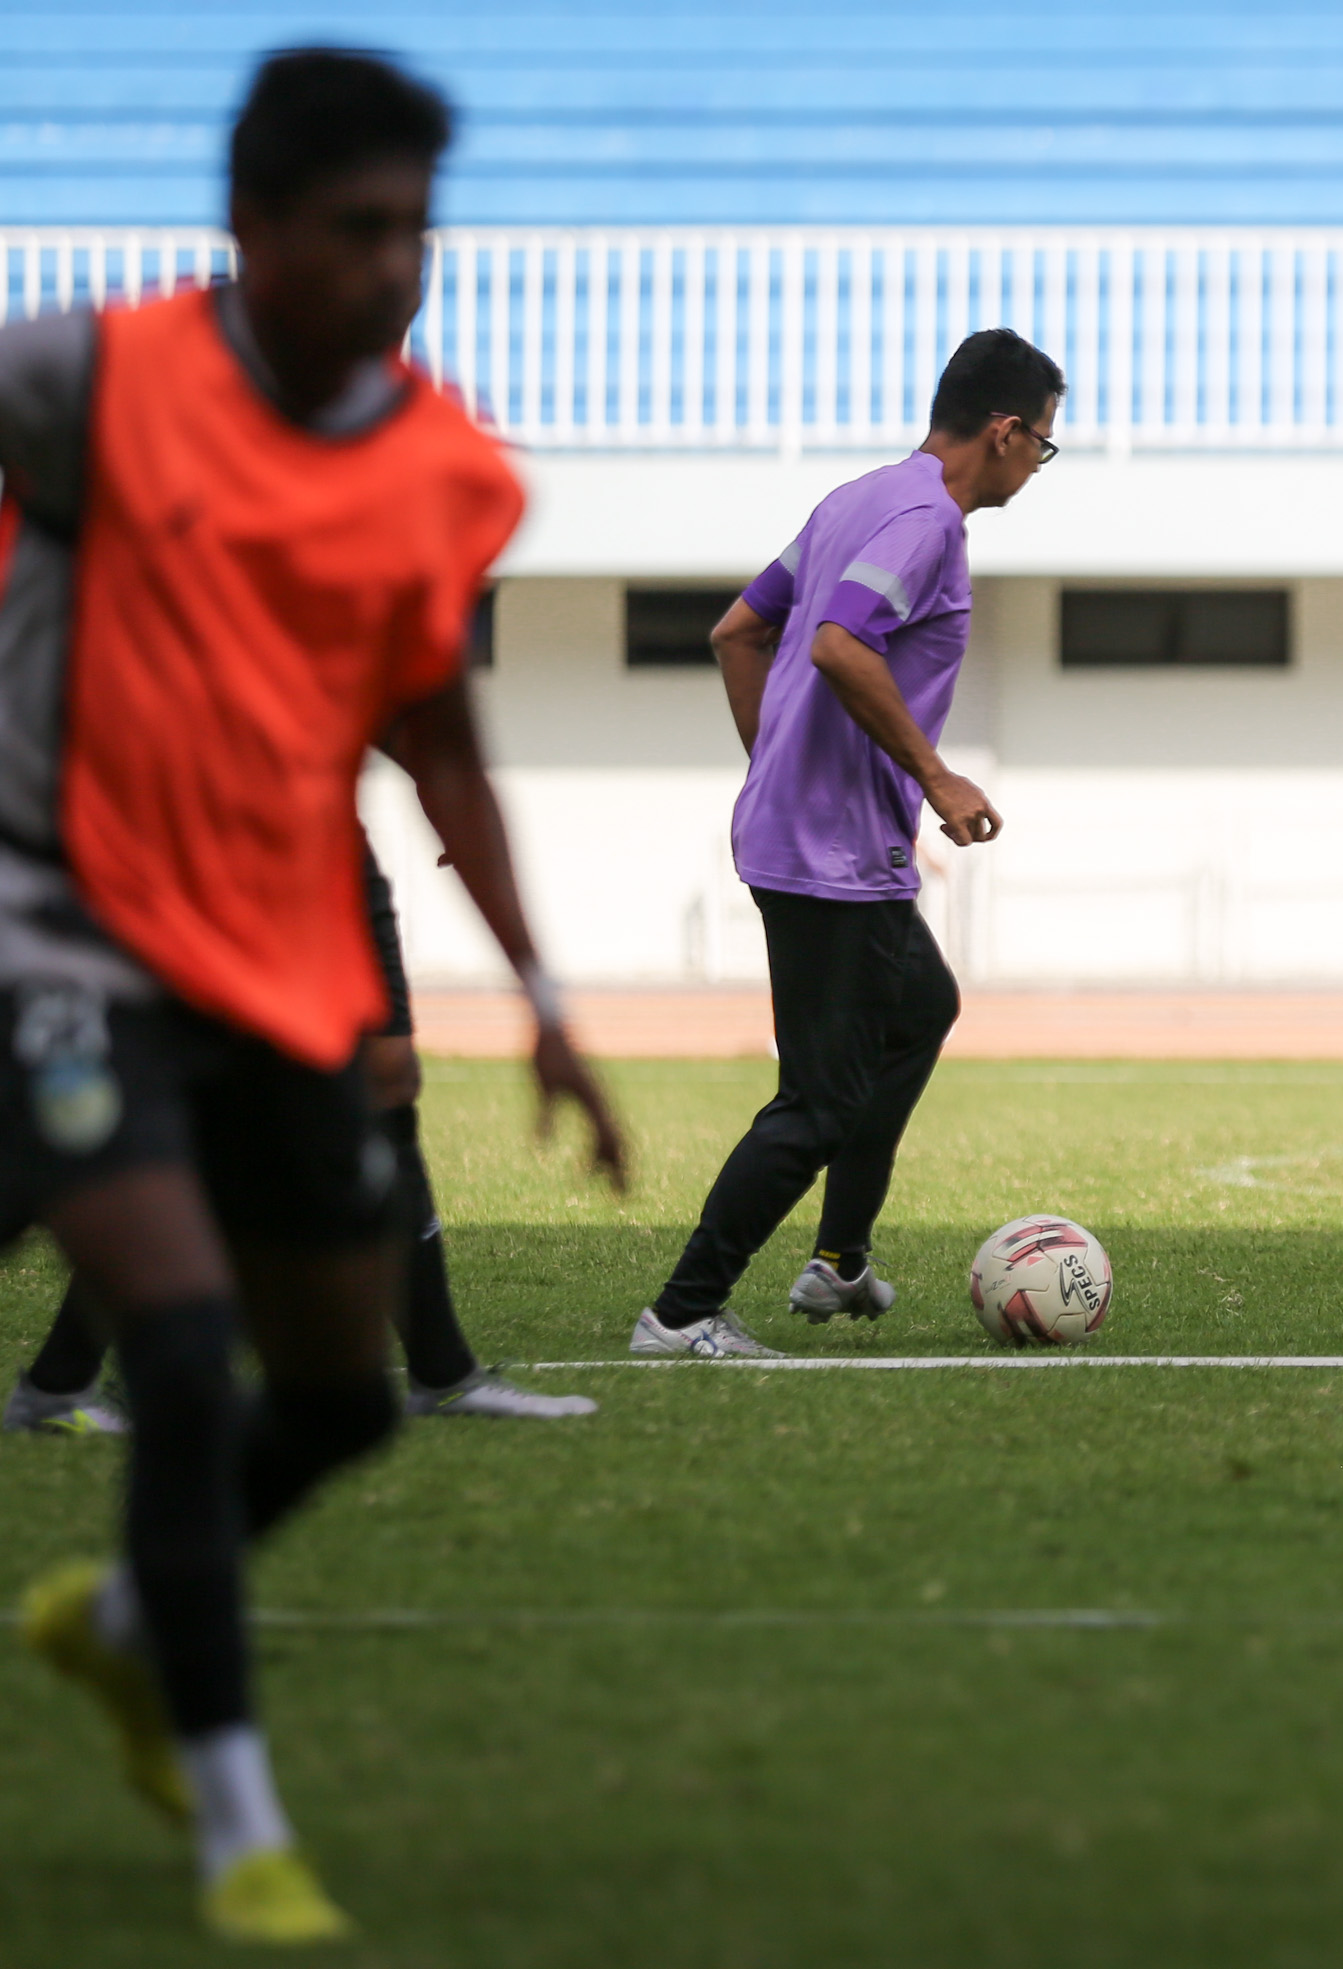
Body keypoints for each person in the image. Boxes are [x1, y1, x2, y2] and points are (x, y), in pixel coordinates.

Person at [4, 48, 626, 1940]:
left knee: (345, 1397)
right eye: (358, 230)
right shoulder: (84, 382)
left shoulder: (450, 471)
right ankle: (237, 1821)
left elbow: (437, 731)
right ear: (253, 227)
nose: (395, 267)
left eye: (416, 232)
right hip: (59, 930)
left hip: (276, 958)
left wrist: (541, 989)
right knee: (185, 1352)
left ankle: (118, 1620)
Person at [628, 329, 1060, 1359]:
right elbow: (834, 643)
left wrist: (778, 764)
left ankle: (840, 1263)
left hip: (809, 836)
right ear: (1002, 433)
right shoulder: (927, 523)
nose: (1038, 466)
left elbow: (738, 630)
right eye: (1041, 446)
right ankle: (681, 1313)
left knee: (920, 1006)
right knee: (817, 1101)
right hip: (833, 858)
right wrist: (934, 773)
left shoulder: (853, 500)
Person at [6, 839, 597, 1435]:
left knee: (380, 1079)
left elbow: (430, 750)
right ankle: (63, 1383)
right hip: (221, 861)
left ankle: (443, 1374)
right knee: (179, 1118)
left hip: (325, 864)